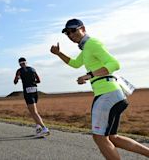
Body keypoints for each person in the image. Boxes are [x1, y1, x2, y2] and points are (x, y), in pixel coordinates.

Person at [50, 18, 149, 159]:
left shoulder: (92, 44)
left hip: (107, 94)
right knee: (112, 137)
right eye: (68, 33)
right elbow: (75, 63)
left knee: (99, 138)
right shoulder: (86, 49)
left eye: (73, 30)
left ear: (83, 29)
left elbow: (114, 64)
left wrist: (89, 75)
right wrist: (59, 54)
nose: (71, 35)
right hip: (113, 95)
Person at [14, 57, 50, 136]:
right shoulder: (32, 69)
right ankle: (38, 128)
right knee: (33, 111)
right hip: (35, 90)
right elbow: (39, 81)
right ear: (26, 62)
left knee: (34, 112)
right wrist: (32, 81)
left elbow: (15, 82)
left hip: (27, 91)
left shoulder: (19, 71)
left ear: (19, 63)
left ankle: (44, 128)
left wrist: (19, 78)